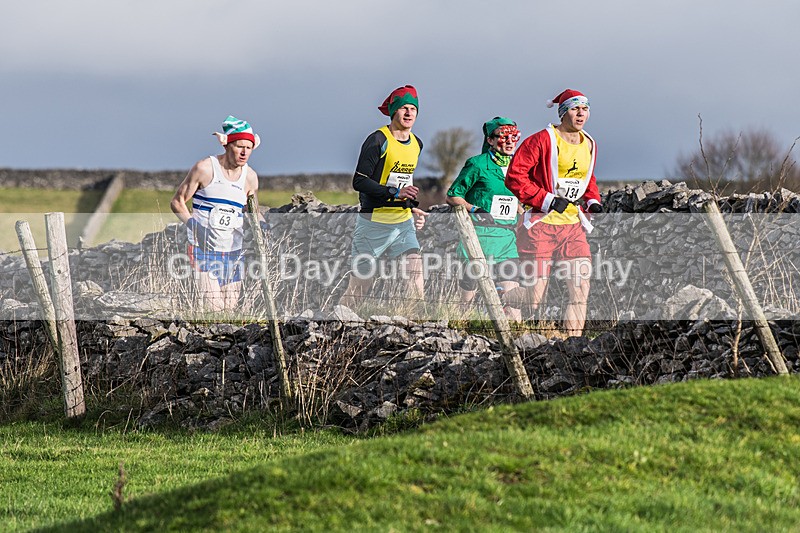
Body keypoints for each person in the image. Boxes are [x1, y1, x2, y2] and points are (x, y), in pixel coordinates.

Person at [503, 89, 603, 335]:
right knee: (534, 299)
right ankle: (499, 295)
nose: (581, 113)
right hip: (540, 226)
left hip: (572, 228)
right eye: (574, 108)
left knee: (580, 291)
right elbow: (514, 177)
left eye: (585, 109)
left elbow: (585, 179)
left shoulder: (589, 143)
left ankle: (574, 349)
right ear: (562, 112)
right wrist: (546, 200)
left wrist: (592, 201)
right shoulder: (541, 140)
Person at [339, 85, 428, 312]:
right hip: (373, 223)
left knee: (415, 269)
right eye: (403, 109)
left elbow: (403, 182)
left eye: (412, 109)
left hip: (402, 223)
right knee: (361, 285)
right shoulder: (378, 140)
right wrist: (394, 194)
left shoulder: (417, 144)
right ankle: (334, 321)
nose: (408, 113)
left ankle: (417, 324)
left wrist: (410, 205)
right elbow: (359, 181)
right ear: (393, 112)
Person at [170, 115, 262, 312]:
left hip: (234, 251)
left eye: (249, 147)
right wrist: (195, 227)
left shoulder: (250, 178)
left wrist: (263, 226)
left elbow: (253, 211)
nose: (245, 152)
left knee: (230, 311)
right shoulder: (205, 168)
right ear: (227, 145)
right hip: (203, 248)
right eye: (239, 146)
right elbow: (177, 202)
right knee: (214, 308)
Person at [446, 117, 523, 321]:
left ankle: (516, 335)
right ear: (490, 140)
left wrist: (522, 210)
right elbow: (453, 195)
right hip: (479, 238)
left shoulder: (519, 166)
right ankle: (461, 326)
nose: (509, 141)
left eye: (514, 136)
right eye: (503, 136)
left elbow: (514, 198)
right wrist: (475, 209)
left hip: (507, 240)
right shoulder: (477, 164)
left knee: (511, 293)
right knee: (467, 301)